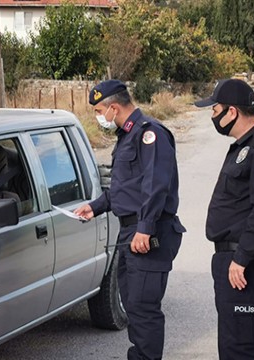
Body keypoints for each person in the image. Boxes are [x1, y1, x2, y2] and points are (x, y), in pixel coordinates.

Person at [74, 79, 185, 360]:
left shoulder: (150, 134)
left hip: (149, 232)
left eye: (99, 110)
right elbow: (127, 188)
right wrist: (96, 207)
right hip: (131, 232)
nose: (98, 117)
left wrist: (145, 229)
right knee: (134, 305)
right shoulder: (127, 135)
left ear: (113, 107)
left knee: (143, 308)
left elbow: (156, 185)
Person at [195, 79, 254, 360]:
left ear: (232, 112)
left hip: (246, 263)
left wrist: (241, 258)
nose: (213, 117)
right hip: (238, 258)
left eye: (215, 110)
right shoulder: (247, 144)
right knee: (239, 343)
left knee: (241, 349)